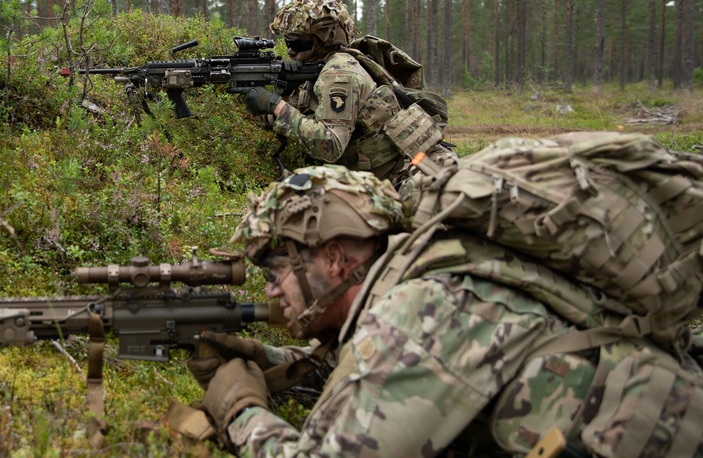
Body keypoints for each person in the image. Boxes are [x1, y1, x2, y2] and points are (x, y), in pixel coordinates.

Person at [186, 164, 703, 457]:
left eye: (276, 272)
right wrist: (269, 358)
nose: (273, 292)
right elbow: (377, 371)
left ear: (336, 259)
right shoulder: (424, 271)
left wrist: (242, 414)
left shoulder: (419, 314)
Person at [237, 0, 455, 193]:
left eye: (298, 43)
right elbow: (299, 122)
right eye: (287, 42)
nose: (291, 51)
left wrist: (276, 105)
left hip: (414, 176)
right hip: (386, 178)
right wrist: (281, 96)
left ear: (323, 40)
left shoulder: (339, 73)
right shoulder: (316, 70)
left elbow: (330, 145)